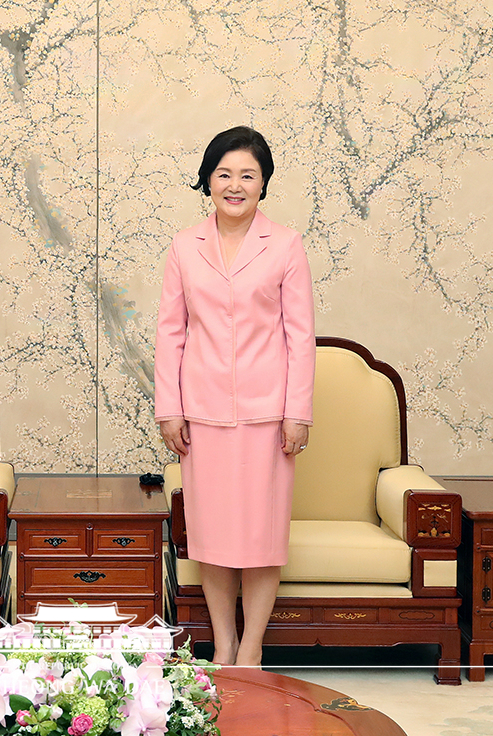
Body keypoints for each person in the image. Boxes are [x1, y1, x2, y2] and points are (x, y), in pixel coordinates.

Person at [154, 125, 315, 667]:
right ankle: (222, 643)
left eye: (248, 174)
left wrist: (297, 413)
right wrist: (169, 409)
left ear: (264, 183)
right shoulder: (184, 245)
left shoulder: (286, 245)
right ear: (208, 180)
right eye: (224, 173)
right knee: (213, 538)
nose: (236, 184)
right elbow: (170, 332)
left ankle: (252, 649)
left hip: (269, 416)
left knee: (262, 537)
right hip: (201, 414)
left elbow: (300, 335)